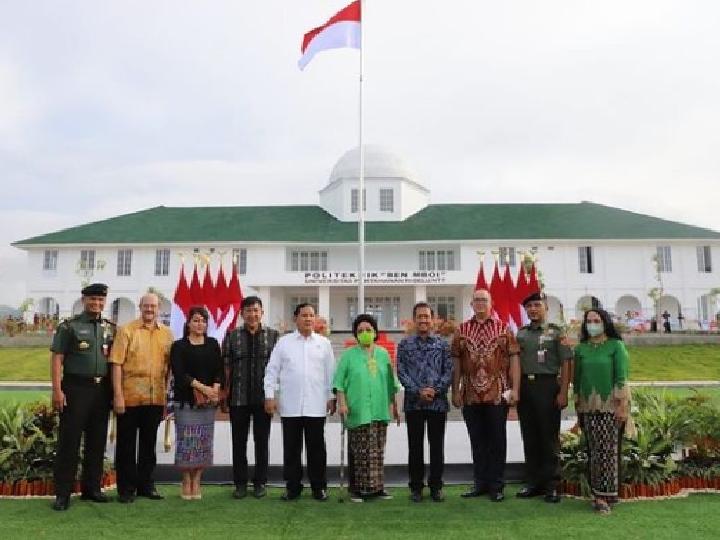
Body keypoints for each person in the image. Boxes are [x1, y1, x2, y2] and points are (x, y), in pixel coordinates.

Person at [451, 288, 520, 502]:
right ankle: (479, 483)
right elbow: (456, 362)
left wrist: (515, 389)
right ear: (471, 304)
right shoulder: (461, 331)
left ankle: (496, 485)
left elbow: (514, 360)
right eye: (477, 300)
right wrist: (455, 390)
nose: (480, 303)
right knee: (477, 441)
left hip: (497, 394)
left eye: (484, 300)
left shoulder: (503, 329)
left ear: (491, 303)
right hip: (470, 395)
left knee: (497, 441)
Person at [50, 283, 115, 511]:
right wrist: (57, 390)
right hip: (76, 389)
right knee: (70, 442)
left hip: (101, 390)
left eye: (100, 300)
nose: (96, 304)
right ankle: (63, 494)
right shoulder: (69, 327)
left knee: (97, 442)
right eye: (92, 299)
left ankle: (92, 489)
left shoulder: (109, 328)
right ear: (84, 300)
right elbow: (57, 358)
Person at [264, 303, 336, 501]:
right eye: (304, 315)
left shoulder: (324, 343)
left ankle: (318, 487)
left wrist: (332, 397)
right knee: (292, 450)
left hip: (316, 405)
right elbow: (272, 371)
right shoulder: (284, 343)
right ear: (295, 318)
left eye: (312, 315)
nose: (308, 319)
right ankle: (292, 487)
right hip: (291, 405)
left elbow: (331, 374)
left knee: (317, 450)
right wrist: (269, 395)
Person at [109, 293, 173, 503]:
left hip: (155, 398)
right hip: (129, 397)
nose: (149, 309)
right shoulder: (126, 331)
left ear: (159, 308)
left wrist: (166, 395)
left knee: (148, 445)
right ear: (140, 306)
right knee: (126, 445)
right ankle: (126, 489)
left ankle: (146, 485)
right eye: (146, 306)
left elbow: (169, 368)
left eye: (153, 306)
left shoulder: (166, 334)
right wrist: (117, 395)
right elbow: (116, 364)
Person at [334, 314, 400, 503]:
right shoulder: (349, 355)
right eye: (360, 330)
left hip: (379, 409)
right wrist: (343, 403)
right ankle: (356, 490)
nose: (365, 333)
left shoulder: (383, 354)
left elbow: (391, 382)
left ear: (375, 332)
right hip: (357, 409)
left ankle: (377, 488)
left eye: (368, 330)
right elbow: (339, 383)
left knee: (377, 451)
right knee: (360, 451)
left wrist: (394, 407)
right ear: (355, 334)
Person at [515, 292, 572, 503]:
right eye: (529, 306)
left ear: (545, 307)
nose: (533, 309)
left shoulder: (557, 332)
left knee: (549, 438)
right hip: (525, 387)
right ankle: (533, 483)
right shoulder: (521, 334)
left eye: (537, 305)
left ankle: (552, 485)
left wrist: (564, 391)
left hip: (548, 386)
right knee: (529, 436)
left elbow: (567, 362)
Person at [221, 296, 279, 499]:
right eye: (248, 311)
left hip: (264, 399)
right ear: (242, 314)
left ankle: (260, 482)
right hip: (238, 398)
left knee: (262, 441)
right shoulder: (232, 336)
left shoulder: (273, 336)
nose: (252, 314)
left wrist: (274, 395)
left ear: (262, 312)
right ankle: (240, 484)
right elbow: (225, 368)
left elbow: (278, 370)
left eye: (256, 310)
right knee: (239, 442)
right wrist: (224, 396)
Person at [574, 308, 630, 515]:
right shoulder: (581, 349)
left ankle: (606, 495)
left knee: (608, 451)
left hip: (611, 407)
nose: (592, 324)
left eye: (596, 320)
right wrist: (578, 405)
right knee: (594, 451)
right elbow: (577, 379)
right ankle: (598, 495)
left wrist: (622, 405)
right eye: (589, 321)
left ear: (605, 322)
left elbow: (621, 376)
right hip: (588, 408)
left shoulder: (616, 346)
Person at [397, 302, 453, 503]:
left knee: (437, 447)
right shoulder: (405, 345)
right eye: (419, 316)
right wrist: (418, 391)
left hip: (437, 404)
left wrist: (435, 390)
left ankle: (436, 487)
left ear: (433, 319)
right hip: (414, 404)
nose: (423, 320)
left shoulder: (442, 344)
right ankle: (416, 487)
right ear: (414, 320)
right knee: (415, 447)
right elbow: (401, 372)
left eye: (426, 316)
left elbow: (449, 371)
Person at [170, 306, 223, 500]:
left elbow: (219, 368)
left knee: (203, 442)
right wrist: (203, 387)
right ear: (188, 323)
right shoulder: (179, 346)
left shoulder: (213, 343)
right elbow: (179, 373)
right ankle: (186, 480)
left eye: (203, 320)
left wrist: (215, 387)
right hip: (186, 401)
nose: (199, 324)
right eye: (196, 320)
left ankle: (197, 480)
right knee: (186, 442)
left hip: (207, 403)